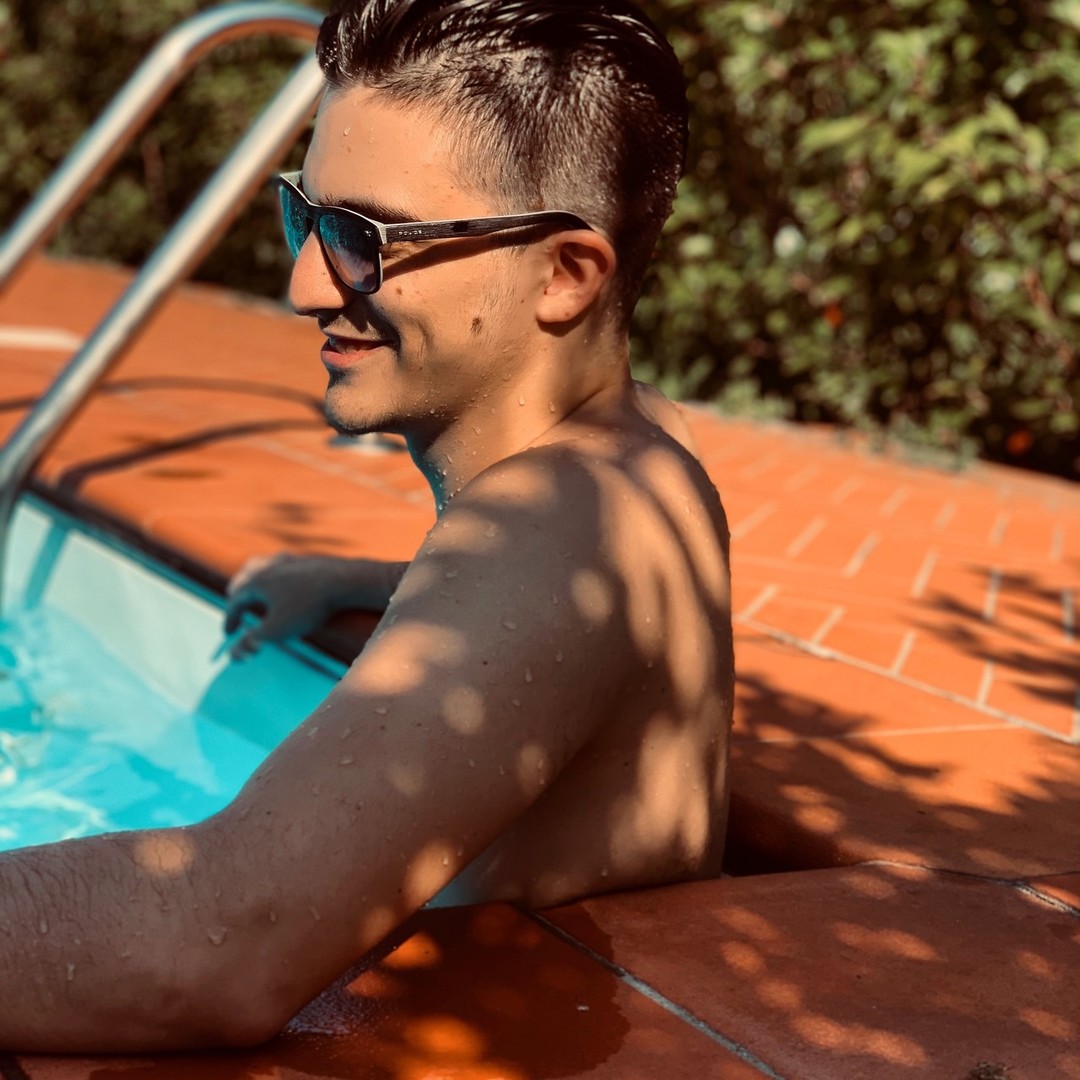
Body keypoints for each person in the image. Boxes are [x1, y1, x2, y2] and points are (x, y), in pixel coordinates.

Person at [0, 0, 732, 1052]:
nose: (306, 284)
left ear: (564, 275)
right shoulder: (640, 454)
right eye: (303, 214)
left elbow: (220, 941)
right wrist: (358, 577)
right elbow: (548, 620)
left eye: (363, 239)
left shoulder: (556, 527)